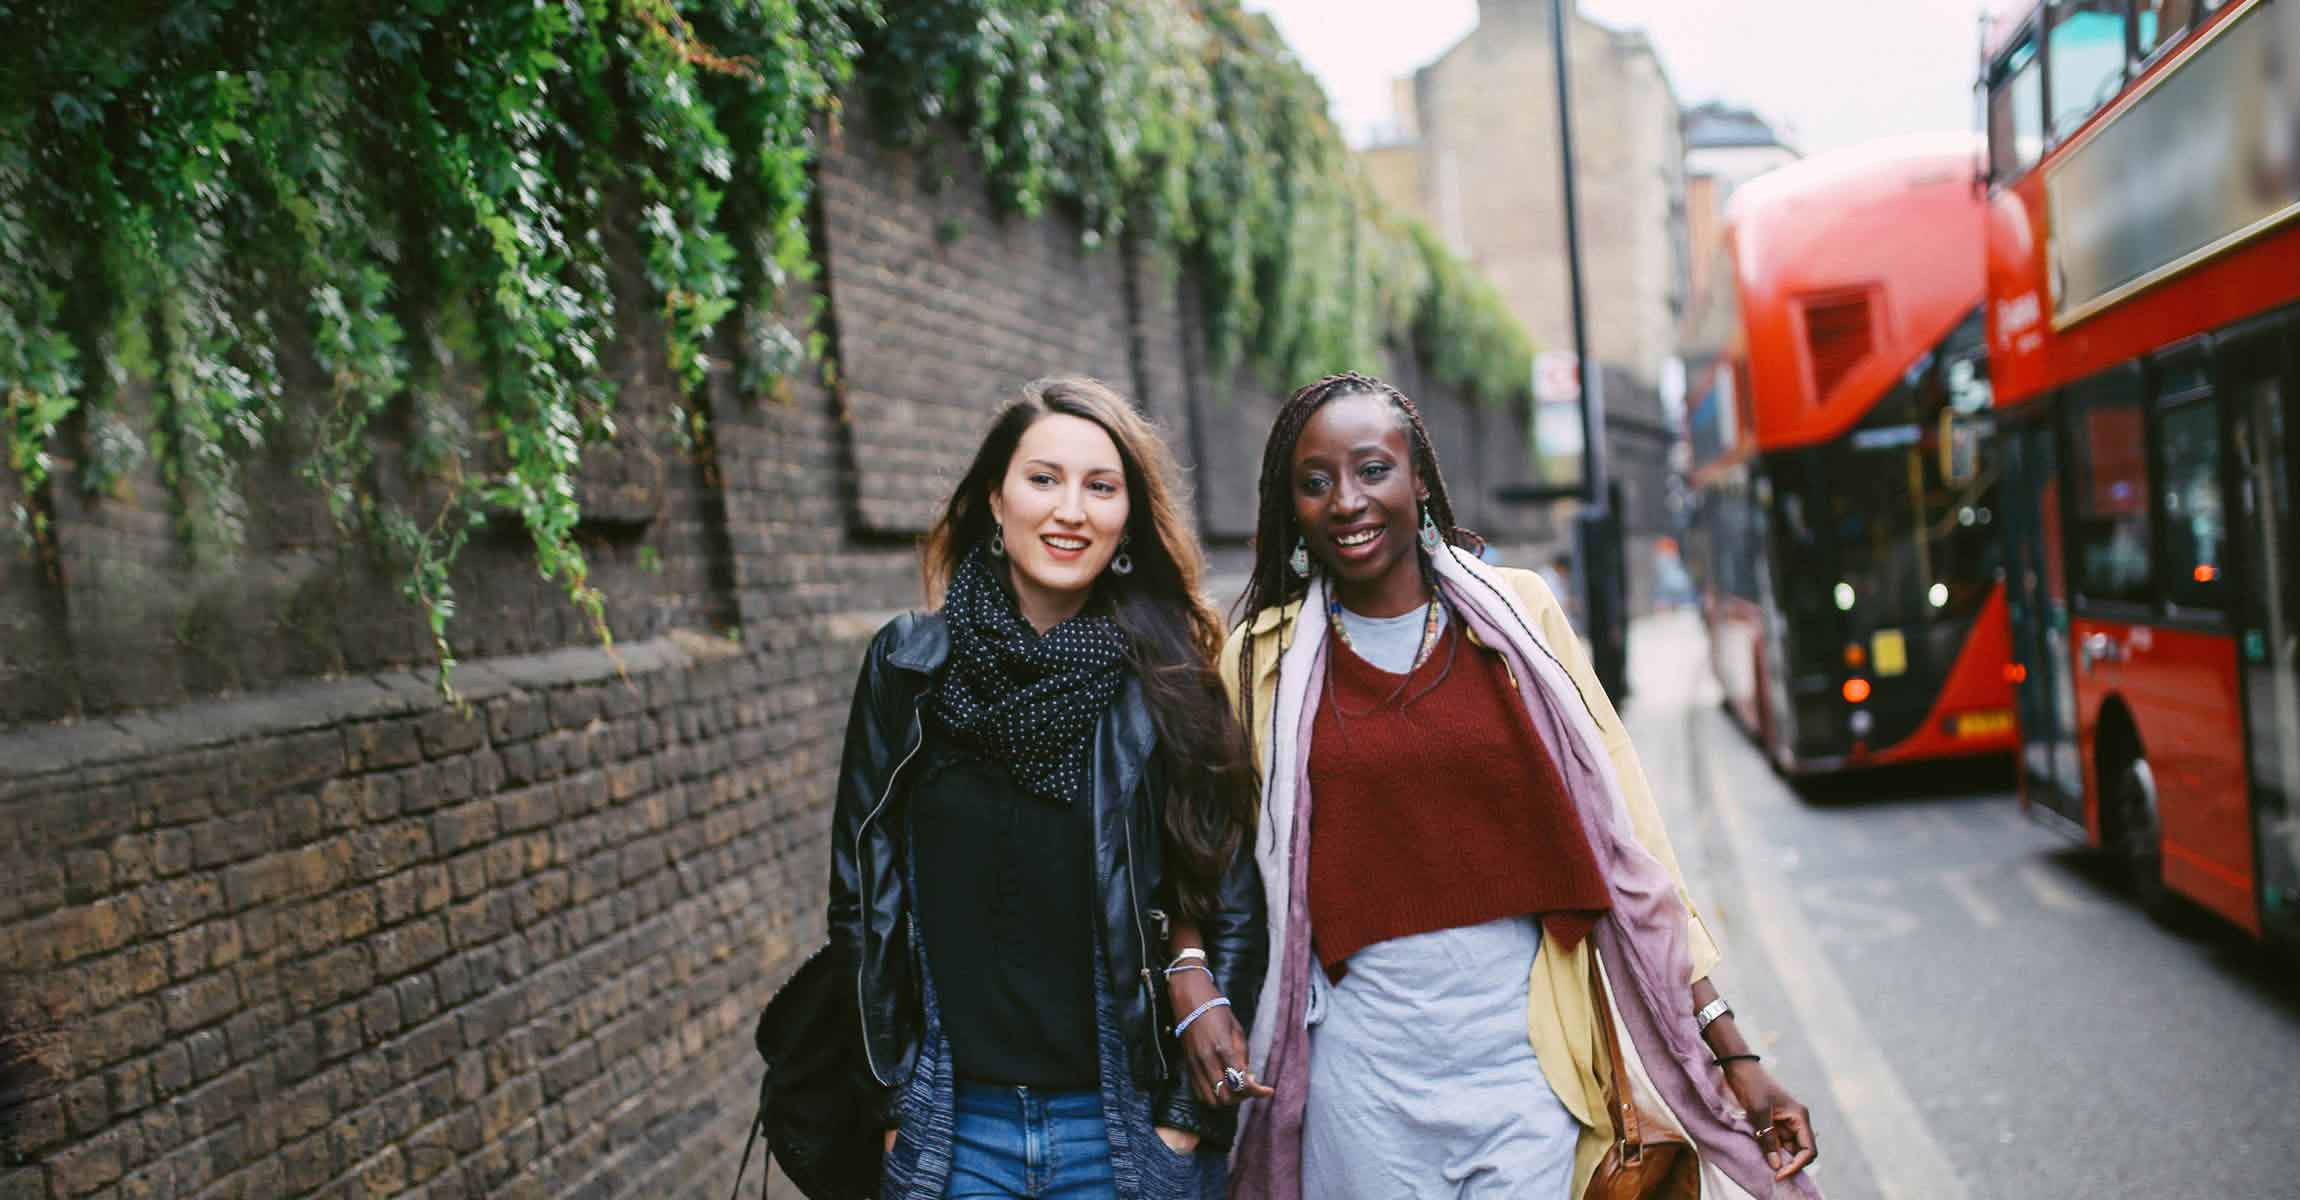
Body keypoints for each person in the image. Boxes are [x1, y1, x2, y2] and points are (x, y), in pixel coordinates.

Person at [1203, 371, 1820, 1199]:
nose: (1346, 500)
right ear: (1291, 507)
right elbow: (1210, 862)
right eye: (1316, 483)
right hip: (1361, 1085)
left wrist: (1732, 1050)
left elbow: (1632, 848)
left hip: (1530, 1070)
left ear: (1419, 479)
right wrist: (1189, 977)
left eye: (1372, 470)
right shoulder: (1256, 661)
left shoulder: (1519, 615)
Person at [826, 377, 1266, 1199]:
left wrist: (1186, 1121)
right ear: (996, 500)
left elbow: (1231, 898)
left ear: (1127, 518)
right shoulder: (909, 667)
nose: (1071, 510)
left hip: (1123, 1132)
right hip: (953, 1134)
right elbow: (861, 898)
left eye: (1100, 487)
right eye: (1044, 479)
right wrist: (889, 1100)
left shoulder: (1168, 681)